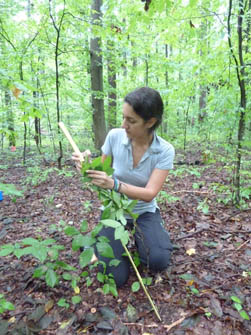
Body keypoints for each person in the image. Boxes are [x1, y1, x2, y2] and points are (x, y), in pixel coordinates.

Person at [73, 87, 175, 287]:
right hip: (113, 209)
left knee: (158, 261)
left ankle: (140, 239)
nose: (123, 125)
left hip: (143, 211)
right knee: (116, 278)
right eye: (123, 118)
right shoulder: (114, 137)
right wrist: (86, 166)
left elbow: (149, 194)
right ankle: (94, 245)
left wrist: (115, 184)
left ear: (151, 122)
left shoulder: (164, 150)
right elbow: (102, 172)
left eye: (131, 120)